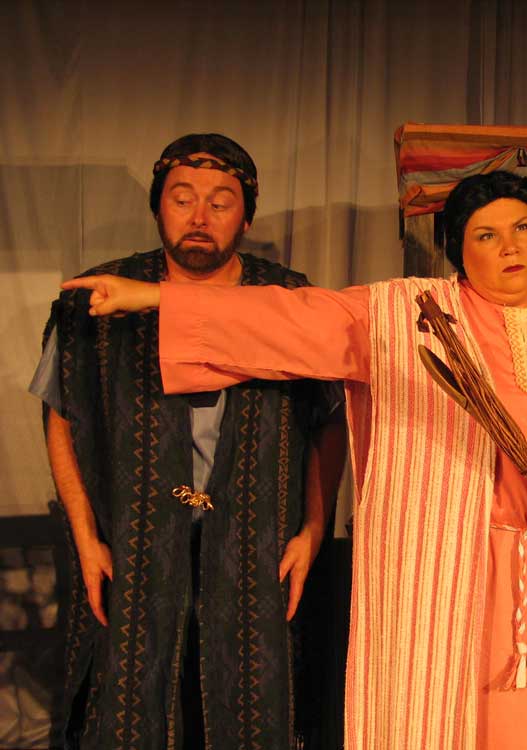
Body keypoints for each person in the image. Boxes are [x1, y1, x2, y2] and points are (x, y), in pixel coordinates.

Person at [62, 170, 527, 750]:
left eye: (522, 226)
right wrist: (157, 297)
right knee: (444, 721)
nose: (509, 246)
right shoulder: (406, 317)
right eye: (486, 234)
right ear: (457, 250)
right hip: (449, 578)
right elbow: (289, 319)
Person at [32, 133, 346, 750]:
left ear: (245, 217)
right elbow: (62, 415)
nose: (200, 216)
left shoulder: (289, 299)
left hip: (255, 542)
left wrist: (314, 528)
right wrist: (85, 537)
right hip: (135, 539)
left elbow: (327, 421)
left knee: (251, 701)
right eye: (182, 199)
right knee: (133, 698)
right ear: (158, 207)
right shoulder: (99, 297)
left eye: (220, 202)